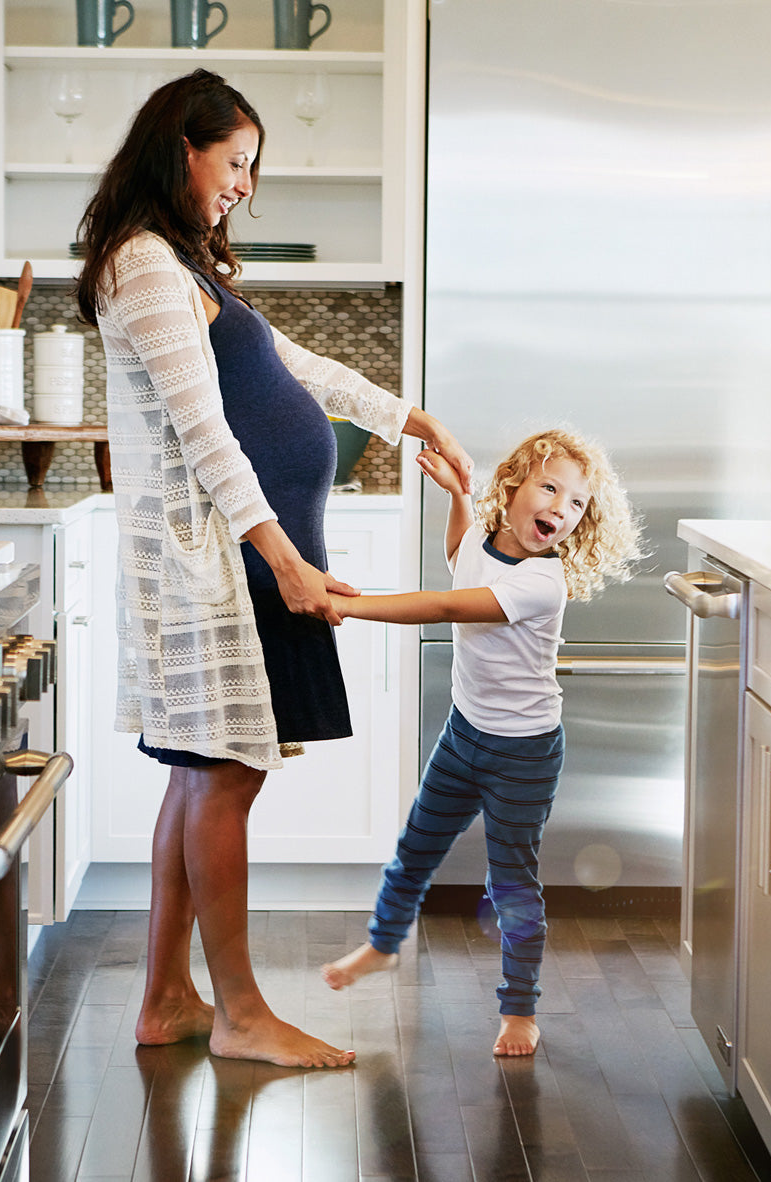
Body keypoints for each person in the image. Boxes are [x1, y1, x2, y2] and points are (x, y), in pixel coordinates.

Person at [75, 69, 473, 1070]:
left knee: (202, 777)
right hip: (223, 568)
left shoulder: (179, 265)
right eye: (236, 161)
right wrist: (285, 559)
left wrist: (405, 414)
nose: (245, 184)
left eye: (253, 165)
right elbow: (202, 433)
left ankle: (168, 998)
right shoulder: (145, 266)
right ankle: (242, 1013)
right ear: (184, 151)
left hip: (242, 563)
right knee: (224, 776)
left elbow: (288, 368)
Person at [320, 428, 643, 1056]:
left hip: (523, 752)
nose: (559, 507)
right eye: (549, 487)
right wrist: (457, 497)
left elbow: (446, 606)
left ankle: (519, 1009)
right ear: (514, 485)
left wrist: (353, 607)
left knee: (511, 884)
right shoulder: (485, 543)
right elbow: (459, 559)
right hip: (464, 733)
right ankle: (383, 946)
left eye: (576, 503)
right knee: (415, 849)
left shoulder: (543, 583)